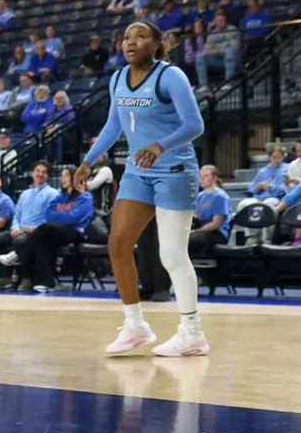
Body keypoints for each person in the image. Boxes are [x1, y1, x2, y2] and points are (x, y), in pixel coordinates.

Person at [76, 20, 207, 356]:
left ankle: (192, 332)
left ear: (157, 44)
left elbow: (195, 123)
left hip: (174, 169)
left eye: (141, 36)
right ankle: (135, 325)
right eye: (127, 38)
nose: (131, 42)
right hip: (137, 171)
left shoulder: (170, 76)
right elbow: (113, 124)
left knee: (172, 254)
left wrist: (160, 146)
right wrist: (89, 160)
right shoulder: (118, 78)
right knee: (118, 244)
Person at [0, 161, 57, 290]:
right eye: (37, 171)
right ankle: (4, 277)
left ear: (48, 176)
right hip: (19, 230)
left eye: (44, 172)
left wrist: (34, 229)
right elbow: (17, 215)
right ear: (33, 173)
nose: (40, 174)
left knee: (20, 242)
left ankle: (26, 278)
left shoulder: (52, 194)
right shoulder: (25, 194)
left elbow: (51, 218)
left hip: (35, 232)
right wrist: (15, 228)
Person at [188, 165, 232, 257]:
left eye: (206, 176)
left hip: (217, 233)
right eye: (200, 176)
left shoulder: (220, 196)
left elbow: (216, 224)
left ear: (214, 178)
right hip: (201, 230)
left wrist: (196, 231)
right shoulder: (199, 196)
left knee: (190, 239)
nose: (202, 179)